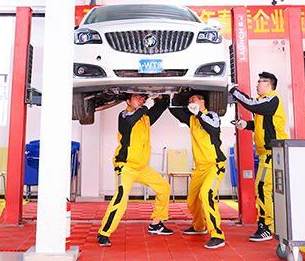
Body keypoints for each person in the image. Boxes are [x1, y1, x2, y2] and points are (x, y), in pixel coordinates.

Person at [97, 93, 172, 246]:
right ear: (128, 101)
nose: (140, 100)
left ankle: (156, 225)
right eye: (136, 97)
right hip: (126, 167)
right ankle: (104, 232)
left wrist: (160, 97)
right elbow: (132, 120)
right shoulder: (124, 115)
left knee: (164, 188)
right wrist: (143, 107)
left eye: (141, 98)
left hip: (142, 167)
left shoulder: (145, 118)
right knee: (121, 198)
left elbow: (161, 107)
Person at [230, 71, 288, 242]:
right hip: (267, 153)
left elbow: (251, 104)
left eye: (260, 82)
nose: (257, 85)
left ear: (268, 84)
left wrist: (234, 91)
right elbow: (263, 125)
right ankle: (267, 224)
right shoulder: (266, 103)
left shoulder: (271, 99)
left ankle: (265, 227)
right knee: (265, 188)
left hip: (272, 153)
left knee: (263, 187)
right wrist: (246, 125)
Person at [169, 91, 226, 249]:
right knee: (192, 201)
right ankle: (199, 227)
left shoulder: (212, 115)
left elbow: (213, 128)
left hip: (214, 166)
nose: (190, 102)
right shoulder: (192, 119)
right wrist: (171, 97)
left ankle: (217, 235)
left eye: (193, 99)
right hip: (199, 169)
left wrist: (199, 114)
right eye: (189, 101)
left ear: (202, 102)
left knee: (206, 195)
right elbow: (175, 111)